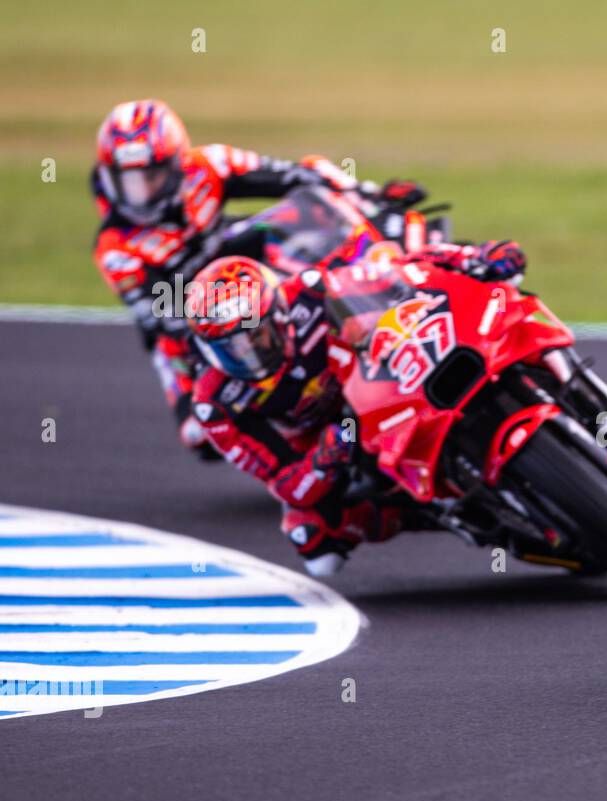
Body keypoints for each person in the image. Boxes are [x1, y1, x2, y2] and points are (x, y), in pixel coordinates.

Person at [91, 98, 425, 455]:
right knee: (199, 431)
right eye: (127, 181)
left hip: (233, 259)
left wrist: (365, 192)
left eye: (150, 177)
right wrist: (234, 313)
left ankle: (386, 269)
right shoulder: (115, 248)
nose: (139, 193)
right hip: (186, 317)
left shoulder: (210, 165)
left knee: (305, 204)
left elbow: (296, 174)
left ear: (175, 164)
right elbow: (159, 314)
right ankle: (299, 450)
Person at [183, 238, 527, 575]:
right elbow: (284, 483)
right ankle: (430, 514)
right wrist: (322, 461)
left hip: (372, 379)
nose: (247, 354)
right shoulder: (214, 404)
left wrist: (468, 257)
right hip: (327, 439)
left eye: (254, 336)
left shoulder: (310, 291)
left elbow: (394, 263)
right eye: (229, 348)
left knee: (468, 305)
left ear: (279, 312)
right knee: (315, 547)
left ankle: (534, 376)